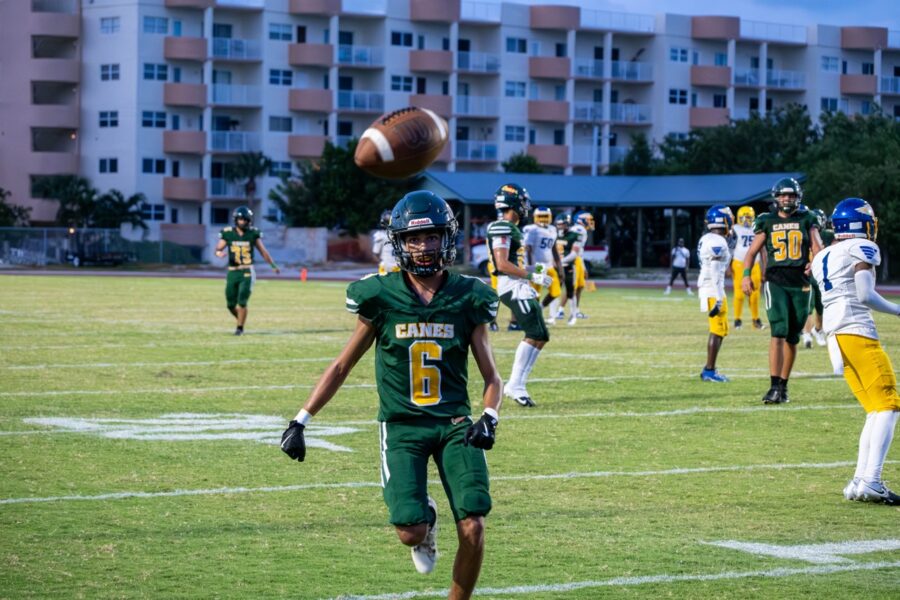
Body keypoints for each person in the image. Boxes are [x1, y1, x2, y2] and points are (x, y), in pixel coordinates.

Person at [280, 190, 504, 597]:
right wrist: (301, 419)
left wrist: (489, 417)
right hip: (402, 427)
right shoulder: (381, 296)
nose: (423, 247)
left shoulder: (469, 296)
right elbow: (341, 365)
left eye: (432, 237)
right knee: (409, 531)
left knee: (474, 524)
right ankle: (427, 520)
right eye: (414, 239)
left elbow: (492, 377)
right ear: (399, 243)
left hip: (455, 424)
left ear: (446, 238)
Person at [810, 198, 899, 505]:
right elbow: (864, 293)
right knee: (888, 404)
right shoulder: (860, 247)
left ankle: (861, 481)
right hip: (855, 329)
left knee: (876, 408)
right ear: (862, 223)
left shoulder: (826, 252)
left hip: (836, 334)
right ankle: (871, 480)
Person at [741, 177, 823, 404]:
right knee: (778, 331)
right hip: (775, 281)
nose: (787, 199)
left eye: (791, 195)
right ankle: (773, 386)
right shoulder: (766, 220)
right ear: (776, 197)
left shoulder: (808, 218)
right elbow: (751, 253)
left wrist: (814, 262)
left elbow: (818, 248)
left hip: (801, 282)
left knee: (792, 337)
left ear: (798, 197)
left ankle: (783, 387)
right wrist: (746, 276)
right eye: (783, 195)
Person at [486, 183, 552, 407]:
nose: (526, 207)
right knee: (536, 332)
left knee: (540, 334)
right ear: (514, 203)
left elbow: (513, 262)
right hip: (511, 286)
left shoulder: (511, 228)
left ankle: (518, 384)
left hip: (518, 284)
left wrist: (536, 271)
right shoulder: (502, 227)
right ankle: (515, 385)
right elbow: (503, 264)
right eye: (523, 202)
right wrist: (532, 277)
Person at [213, 206, 280, 335]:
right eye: (240, 219)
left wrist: (273, 265)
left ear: (249, 220)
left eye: (245, 219)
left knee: (242, 301)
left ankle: (240, 328)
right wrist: (218, 254)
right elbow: (218, 249)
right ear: (236, 220)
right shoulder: (227, 233)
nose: (242, 222)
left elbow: (263, 251)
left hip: (247, 271)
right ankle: (241, 320)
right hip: (232, 272)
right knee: (230, 304)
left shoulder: (253, 233)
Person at [697, 205, 733, 382]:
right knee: (717, 330)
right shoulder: (717, 242)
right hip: (713, 289)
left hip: (712, 287)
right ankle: (709, 370)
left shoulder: (709, 238)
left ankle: (710, 369)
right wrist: (719, 298)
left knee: (721, 329)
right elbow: (715, 271)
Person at [524, 206, 564, 325]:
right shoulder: (532, 229)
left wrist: (560, 267)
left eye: (545, 216)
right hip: (538, 266)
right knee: (535, 294)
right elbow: (528, 250)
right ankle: (531, 318)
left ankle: (539, 309)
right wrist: (531, 267)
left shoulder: (552, 229)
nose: (543, 219)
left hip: (549, 265)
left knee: (556, 291)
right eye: (540, 216)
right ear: (535, 217)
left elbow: (554, 250)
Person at [802, 208, 833, 349]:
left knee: (821, 306)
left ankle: (818, 330)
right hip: (807, 274)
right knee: (808, 306)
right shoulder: (802, 234)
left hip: (821, 275)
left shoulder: (827, 235)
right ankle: (807, 334)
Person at [731, 206, 765, 330]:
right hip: (739, 263)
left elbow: (762, 248)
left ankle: (755, 319)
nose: (746, 221)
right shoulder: (734, 229)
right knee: (739, 294)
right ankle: (737, 319)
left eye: (749, 218)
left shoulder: (757, 228)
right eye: (743, 218)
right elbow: (729, 247)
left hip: (755, 264)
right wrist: (728, 265)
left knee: (755, 294)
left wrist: (763, 266)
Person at [554, 212, 580, 326]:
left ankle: (573, 315)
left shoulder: (574, 235)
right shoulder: (553, 234)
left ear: (567, 224)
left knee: (571, 292)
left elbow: (574, 253)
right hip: (556, 268)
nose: (559, 227)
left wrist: (561, 262)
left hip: (568, 267)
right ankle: (552, 316)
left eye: (562, 224)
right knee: (554, 292)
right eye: (558, 224)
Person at [571, 211, 595, 318]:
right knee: (572, 287)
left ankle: (575, 311)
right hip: (572, 260)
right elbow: (574, 249)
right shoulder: (579, 230)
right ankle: (561, 311)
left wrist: (583, 267)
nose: (590, 222)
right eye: (588, 220)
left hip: (577, 260)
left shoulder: (581, 230)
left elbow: (579, 251)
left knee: (579, 286)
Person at [372, 209, 399, 275]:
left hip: (386, 267)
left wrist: (381, 262)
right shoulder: (399, 234)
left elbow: (375, 254)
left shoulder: (380, 235)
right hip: (399, 266)